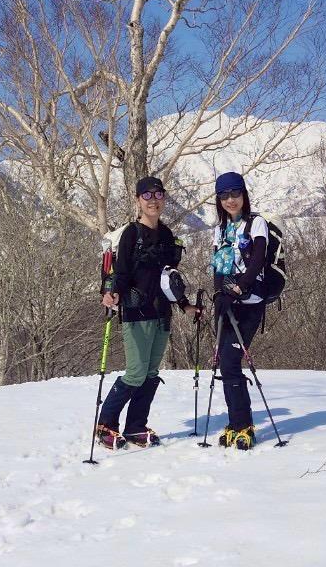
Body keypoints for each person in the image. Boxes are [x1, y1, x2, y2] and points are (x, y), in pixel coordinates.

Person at [97, 176, 199, 449]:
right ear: (138, 200)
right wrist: (113, 293)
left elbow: (171, 277)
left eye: (158, 195)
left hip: (162, 313)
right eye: (147, 196)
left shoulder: (166, 235)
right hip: (136, 311)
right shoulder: (132, 233)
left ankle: (135, 427)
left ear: (164, 198)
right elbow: (123, 272)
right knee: (135, 373)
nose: (153, 200)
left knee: (151, 372)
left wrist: (184, 304)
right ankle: (106, 424)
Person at [210, 171, 269, 450]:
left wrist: (235, 291)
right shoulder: (220, 229)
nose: (230, 200)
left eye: (235, 194)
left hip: (249, 303)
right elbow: (219, 268)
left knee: (231, 360)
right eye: (224, 195)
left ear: (244, 194)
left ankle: (243, 425)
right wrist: (219, 294)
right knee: (226, 363)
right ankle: (236, 423)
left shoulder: (256, 223)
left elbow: (257, 261)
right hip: (227, 304)